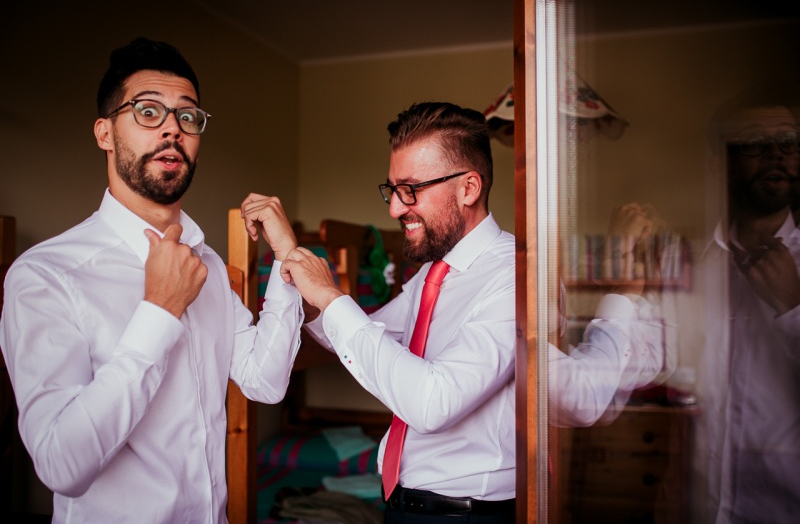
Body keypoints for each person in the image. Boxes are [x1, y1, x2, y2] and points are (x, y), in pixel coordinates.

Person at [271, 102, 662, 523]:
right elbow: (355, 335)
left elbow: (432, 403)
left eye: (410, 189)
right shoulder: (430, 277)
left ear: (469, 188)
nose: (395, 209)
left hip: (466, 516)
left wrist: (331, 296)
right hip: (402, 505)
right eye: (392, 190)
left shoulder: (515, 278)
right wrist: (293, 262)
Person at [0, 38, 306, 523]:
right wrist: (159, 312)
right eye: (147, 112)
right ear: (105, 132)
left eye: (187, 117)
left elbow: (265, 382)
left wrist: (287, 258)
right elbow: (61, 465)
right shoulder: (47, 274)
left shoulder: (204, 262)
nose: (172, 129)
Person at [691, 100, 800, 523]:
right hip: (703, 505)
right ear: (721, 163)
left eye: (788, 142)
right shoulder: (693, 264)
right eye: (755, 142)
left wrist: (793, 307)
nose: (776, 154)